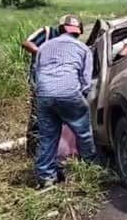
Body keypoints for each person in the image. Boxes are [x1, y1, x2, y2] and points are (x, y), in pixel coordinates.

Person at [33, 14, 96, 188]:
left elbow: (37, 74)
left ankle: (46, 178)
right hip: (69, 93)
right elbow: (86, 82)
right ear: (79, 32)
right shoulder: (83, 49)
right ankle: (90, 168)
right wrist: (79, 99)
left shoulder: (43, 47)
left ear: (60, 29)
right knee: (83, 132)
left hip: (44, 95)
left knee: (47, 137)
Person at [22, 21, 64, 157]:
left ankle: (50, 151)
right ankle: (32, 151)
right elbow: (26, 43)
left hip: (56, 85)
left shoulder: (68, 43)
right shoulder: (47, 32)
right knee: (37, 116)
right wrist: (42, 52)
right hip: (39, 82)